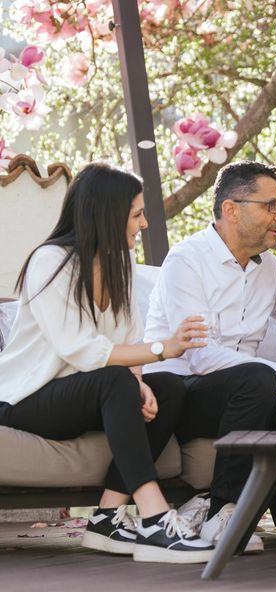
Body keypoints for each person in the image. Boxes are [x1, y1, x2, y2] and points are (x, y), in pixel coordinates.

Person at [0, 163, 214, 564]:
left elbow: (127, 341)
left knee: (166, 388)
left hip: (86, 394)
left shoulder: (120, 267)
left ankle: (108, 516)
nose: (144, 223)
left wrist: (142, 382)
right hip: (26, 399)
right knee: (117, 380)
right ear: (107, 214)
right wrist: (162, 349)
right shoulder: (50, 261)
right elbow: (81, 350)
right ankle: (154, 517)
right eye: (136, 214)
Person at [144, 160, 276, 552]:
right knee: (258, 378)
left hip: (246, 399)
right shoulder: (186, 261)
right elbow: (201, 359)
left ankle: (209, 504)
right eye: (271, 206)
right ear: (231, 209)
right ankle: (228, 511)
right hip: (182, 396)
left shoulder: (268, 269)